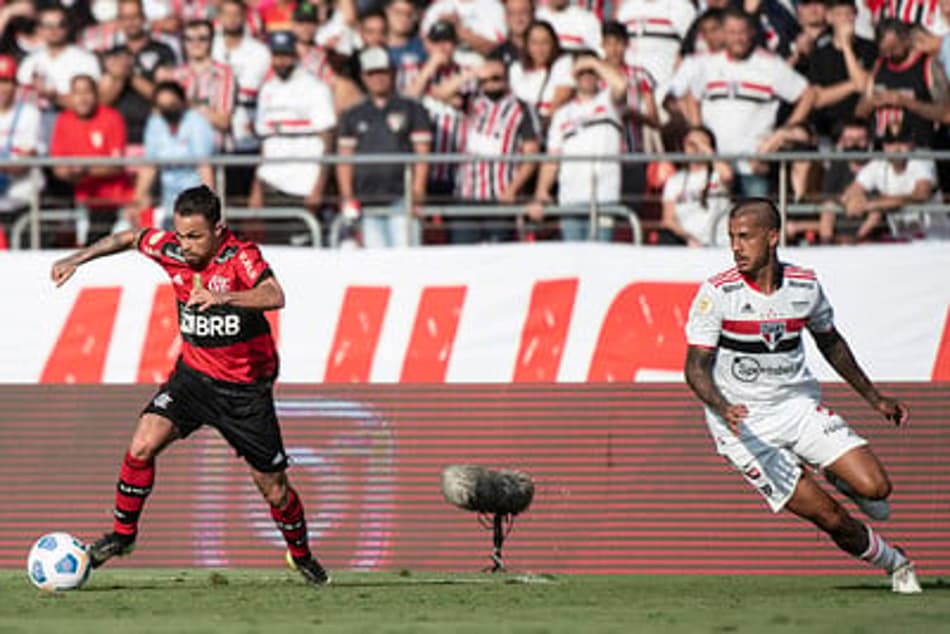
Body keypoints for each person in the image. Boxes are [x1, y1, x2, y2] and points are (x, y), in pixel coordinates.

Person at [49, 184, 330, 586]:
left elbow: (274, 294)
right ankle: (123, 536)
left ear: (219, 229)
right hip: (193, 378)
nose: (186, 246)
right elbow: (131, 237)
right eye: (181, 235)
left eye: (196, 236)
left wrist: (226, 298)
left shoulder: (241, 256)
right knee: (142, 445)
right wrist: (77, 258)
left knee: (274, 490)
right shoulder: (173, 250)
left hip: (244, 391)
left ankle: (301, 555)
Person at [684, 197, 922, 595]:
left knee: (877, 490)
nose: (736, 247)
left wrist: (875, 398)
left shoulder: (804, 285)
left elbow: (832, 343)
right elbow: (694, 367)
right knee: (829, 517)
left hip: (796, 408)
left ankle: (829, 468)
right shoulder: (717, 294)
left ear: (772, 237)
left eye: (745, 237)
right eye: (731, 238)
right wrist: (723, 407)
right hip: (743, 428)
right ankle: (895, 562)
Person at [336, 46, 431, 248]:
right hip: (366, 203)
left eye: (382, 72)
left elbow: (422, 155)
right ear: (363, 77)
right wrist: (347, 197)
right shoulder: (353, 114)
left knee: (405, 259)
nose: (378, 78)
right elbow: (345, 159)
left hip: (401, 201)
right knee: (375, 263)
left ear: (393, 72)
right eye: (372, 73)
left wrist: (417, 193)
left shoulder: (412, 109)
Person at [530, 53, 628, 241]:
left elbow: (621, 85)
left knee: (602, 255)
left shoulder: (609, 103)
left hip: (604, 196)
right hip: (570, 197)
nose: (586, 75)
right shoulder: (562, 114)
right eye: (581, 72)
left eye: (591, 72)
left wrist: (593, 62)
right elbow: (552, 157)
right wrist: (541, 192)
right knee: (574, 258)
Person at [249, 31, 336, 217]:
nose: (281, 61)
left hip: (303, 186)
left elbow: (328, 141)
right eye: (277, 55)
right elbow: (266, 142)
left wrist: (318, 188)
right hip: (271, 183)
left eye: (286, 55)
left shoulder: (315, 88)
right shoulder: (267, 89)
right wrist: (256, 187)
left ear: (295, 55)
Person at [50, 75, 133, 243]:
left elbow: (117, 165)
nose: (83, 98)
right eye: (77, 92)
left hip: (111, 200)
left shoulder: (112, 117)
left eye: (87, 92)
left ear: (96, 94)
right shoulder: (64, 120)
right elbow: (57, 167)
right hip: (79, 199)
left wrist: (84, 170)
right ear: (70, 97)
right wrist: (69, 173)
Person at [840, 121, 948, 241]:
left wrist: (873, 204)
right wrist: (855, 198)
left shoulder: (922, 159)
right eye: (891, 142)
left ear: (911, 144)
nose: (896, 148)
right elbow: (851, 190)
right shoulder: (878, 165)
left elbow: (920, 195)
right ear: (884, 146)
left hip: (937, 240)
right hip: (903, 241)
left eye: (902, 141)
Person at [131, 81, 215, 228]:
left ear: (182, 102)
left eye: (172, 104)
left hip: (195, 197)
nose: (167, 109)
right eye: (162, 105)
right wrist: (137, 200)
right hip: (169, 200)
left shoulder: (197, 122)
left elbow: (204, 166)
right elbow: (149, 166)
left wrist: (210, 206)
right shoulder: (155, 123)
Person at [660, 126, 733, 247]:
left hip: (719, 242)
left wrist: (705, 149)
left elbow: (727, 175)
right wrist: (687, 237)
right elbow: (668, 219)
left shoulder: (717, 174)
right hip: (688, 242)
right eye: (690, 144)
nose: (695, 149)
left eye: (701, 143)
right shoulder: (675, 180)